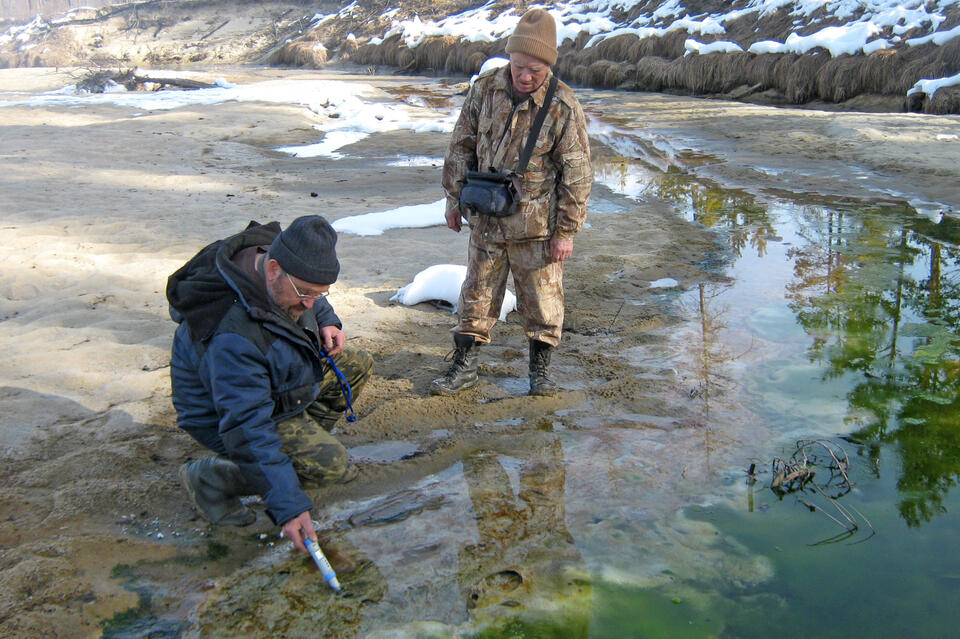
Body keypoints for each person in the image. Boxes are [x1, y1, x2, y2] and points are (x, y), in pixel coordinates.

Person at [166, 215, 372, 554]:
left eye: (320, 293)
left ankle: (297, 455)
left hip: (272, 383)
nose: (310, 302)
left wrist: (326, 319)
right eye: (305, 294)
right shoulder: (234, 334)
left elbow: (312, 293)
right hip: (221, 414)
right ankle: (211, 479)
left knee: (355, 365)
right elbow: (247, 426)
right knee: (333, 468)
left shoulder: (277, 256)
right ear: (273, 269)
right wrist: (288, 505)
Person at [434, 8, 592, 397]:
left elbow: (577, 174)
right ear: (509, 57)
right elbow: (462, 145)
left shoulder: (563, 106)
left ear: (548, 67)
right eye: (519, 65)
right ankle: (464, 367)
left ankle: (540, 373)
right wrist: (453, 199)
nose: (525, 76)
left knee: (542, 304)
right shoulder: (485, 89)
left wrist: (566, 232)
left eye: (535, 71)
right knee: (476, 295)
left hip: (536, 229)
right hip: (486, 219)